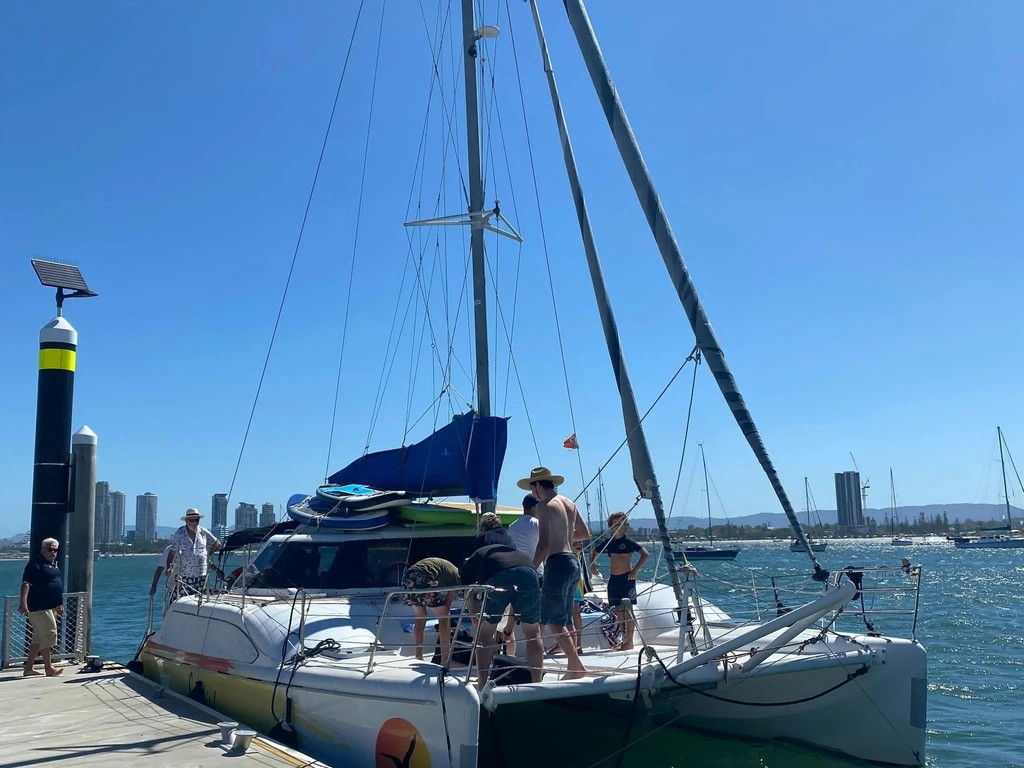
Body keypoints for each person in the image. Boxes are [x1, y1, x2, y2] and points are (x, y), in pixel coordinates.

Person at [519, 466, 588, 680]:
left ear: (538, 486)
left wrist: (531, 568)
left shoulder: (544, 506)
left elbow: (545, 542)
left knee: (553, 619)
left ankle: (576, 667)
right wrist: (565, 534)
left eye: (532, 489)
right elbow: (584, 534)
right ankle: (574, 665)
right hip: (573, 562)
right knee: (564, 618)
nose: (532, 494)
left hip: (557, 563)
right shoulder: (569, 503)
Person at [460, 543, 543, 689]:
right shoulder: (508, 551)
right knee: (533, 633)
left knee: (484, 634)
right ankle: (537, 684)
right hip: (529, 571)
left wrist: (475, 617)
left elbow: (469, 594)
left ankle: (482, 684)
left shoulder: (470, 564)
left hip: (499, 574)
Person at [590, 512, 649, 650]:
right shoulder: (609, 542)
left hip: (626, 579)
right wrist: (593, 565)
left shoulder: (628, 542)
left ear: (625, 526)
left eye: (620, 524)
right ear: (610, 527)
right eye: (614, 524)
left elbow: (645, 554)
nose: (617, 527)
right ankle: (623, 639)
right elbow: (593, 552)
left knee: (627, 610)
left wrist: (635, 571)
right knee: (617, 610)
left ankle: (629, 641)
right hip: (613, 579)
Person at [19, 538, 65, 677]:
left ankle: (28, 669)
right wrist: (23, 602)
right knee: (49, 634)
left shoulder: (53, 565)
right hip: (39, 607)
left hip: (50, 607)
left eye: (55, 550)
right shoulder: (35, 564)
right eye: (50, 549)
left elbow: (54, 585)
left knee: (38, 639)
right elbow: (26, 583)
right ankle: (48, 668)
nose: (53, 552)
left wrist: (58, 603)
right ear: (42, 549)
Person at [402, 557, 461, 666]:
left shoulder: (449, 570)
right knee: (444, 618)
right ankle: (445, 660)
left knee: (420, 616)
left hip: (409, 575)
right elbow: (447, 606)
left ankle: (418, 656)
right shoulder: (458, 577)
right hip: (425, 576)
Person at [167, 509, 221, 598]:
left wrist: (207, 554)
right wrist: (169, 567)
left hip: (201, 575)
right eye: (191, 520)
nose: (194, 522)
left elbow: (218, 543)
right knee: (183, 601)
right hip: (184, 575)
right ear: (186, 520)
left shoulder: (203, 532)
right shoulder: (180, 533)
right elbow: (172, 552)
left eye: (196, 520)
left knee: (200, 601)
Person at [508, 495, 542, 578]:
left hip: (518, 569)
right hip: (536, 570)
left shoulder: (512, 526)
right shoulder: (538, 524)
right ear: (535, 507)